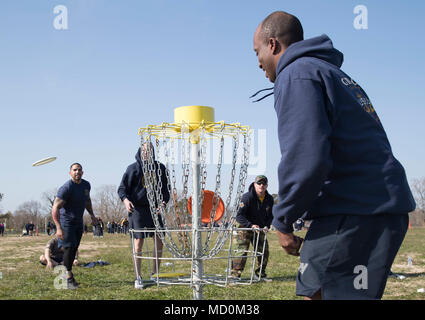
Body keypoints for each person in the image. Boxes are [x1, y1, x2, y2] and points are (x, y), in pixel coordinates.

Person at [252, 11, 416, 300]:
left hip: (356, 209)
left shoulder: (296, 74)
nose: (258, 62)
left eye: (258, 52)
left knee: (319, 294)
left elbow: (306, 157)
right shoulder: (330, 73)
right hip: (372, 206)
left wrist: (283, 218)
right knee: (314, 293)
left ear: (273, 44)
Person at [118, 143, 170, 289]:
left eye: (150, 150)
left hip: (155, 209)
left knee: (159, 241)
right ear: (140, 152)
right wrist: (126, 201)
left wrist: (163, 203)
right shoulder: (132, 169)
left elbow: (166, 190)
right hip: (138, 209)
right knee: (138, 242)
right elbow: (122, 189)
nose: (147, 153)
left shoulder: (160, 168)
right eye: (144, 150)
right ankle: (138, 277)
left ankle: (155, 274)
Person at [51, 163, 98, 289]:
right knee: (69, 248)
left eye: (79, 170)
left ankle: (67, 272)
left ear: (82, 172)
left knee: (74, 248)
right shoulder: (66, 188)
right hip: (66, 222)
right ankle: (68, 276)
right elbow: (55, 207)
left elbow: (87, 201)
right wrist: (58, 227)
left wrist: (92, 215)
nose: (77, 172)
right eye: (74, 170)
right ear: (70, 173)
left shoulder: (86, 185)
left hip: (78, 221)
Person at [231, 175, 274, 280]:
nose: (261, 185)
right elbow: (239, 215)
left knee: (264, 251)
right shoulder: (247, 197)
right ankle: (235, 276)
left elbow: (270, 216)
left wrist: (266, 226)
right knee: (241, 251)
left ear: (267, 185)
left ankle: (260, 274)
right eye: (259, 183)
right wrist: (250, 225)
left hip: (259, 229)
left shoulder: (269, 199)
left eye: (264, 183)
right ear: (255, 185)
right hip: (244, 227)